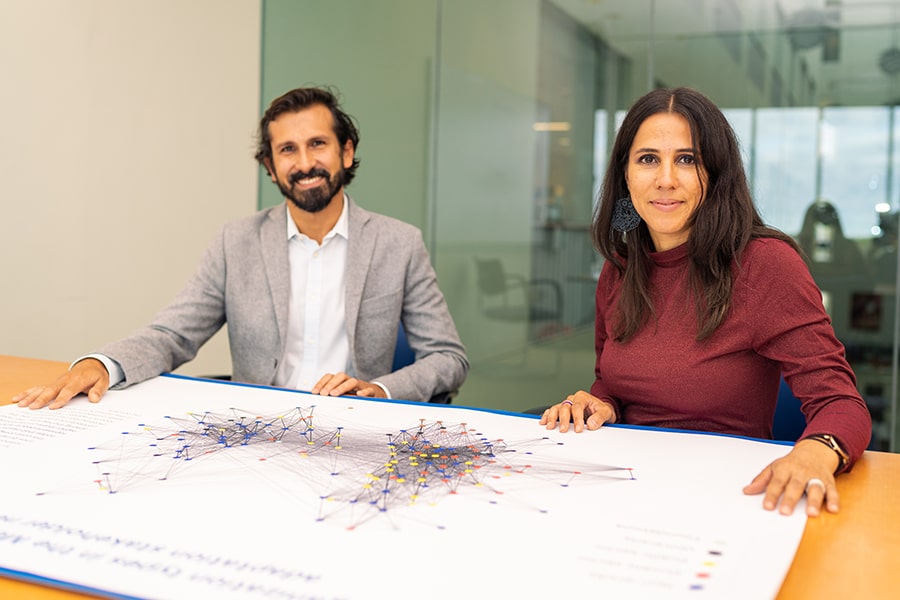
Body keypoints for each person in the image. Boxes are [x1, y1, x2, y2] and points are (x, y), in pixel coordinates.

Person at [14, 86, 468, 408]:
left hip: (357, 431)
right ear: (270, 166)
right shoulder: (236, 242)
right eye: (287, 150)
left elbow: (448, 358)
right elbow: (173, 335)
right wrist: (102, 364)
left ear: (346, 152)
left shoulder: (399, 243)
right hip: (258, 433)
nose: (305, 163)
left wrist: (381, 390)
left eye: (317, 144)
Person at [539, 87, 871, 518]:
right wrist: (601, 403)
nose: (666, 179)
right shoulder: (621, 267)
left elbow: (840, 403)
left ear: (715, 173)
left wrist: (816, 451)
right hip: (627, 489)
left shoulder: (764, 265)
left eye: (686, 159)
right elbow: (612, 382)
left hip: (724, 497)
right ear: (625, 175)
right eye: (648, 159)